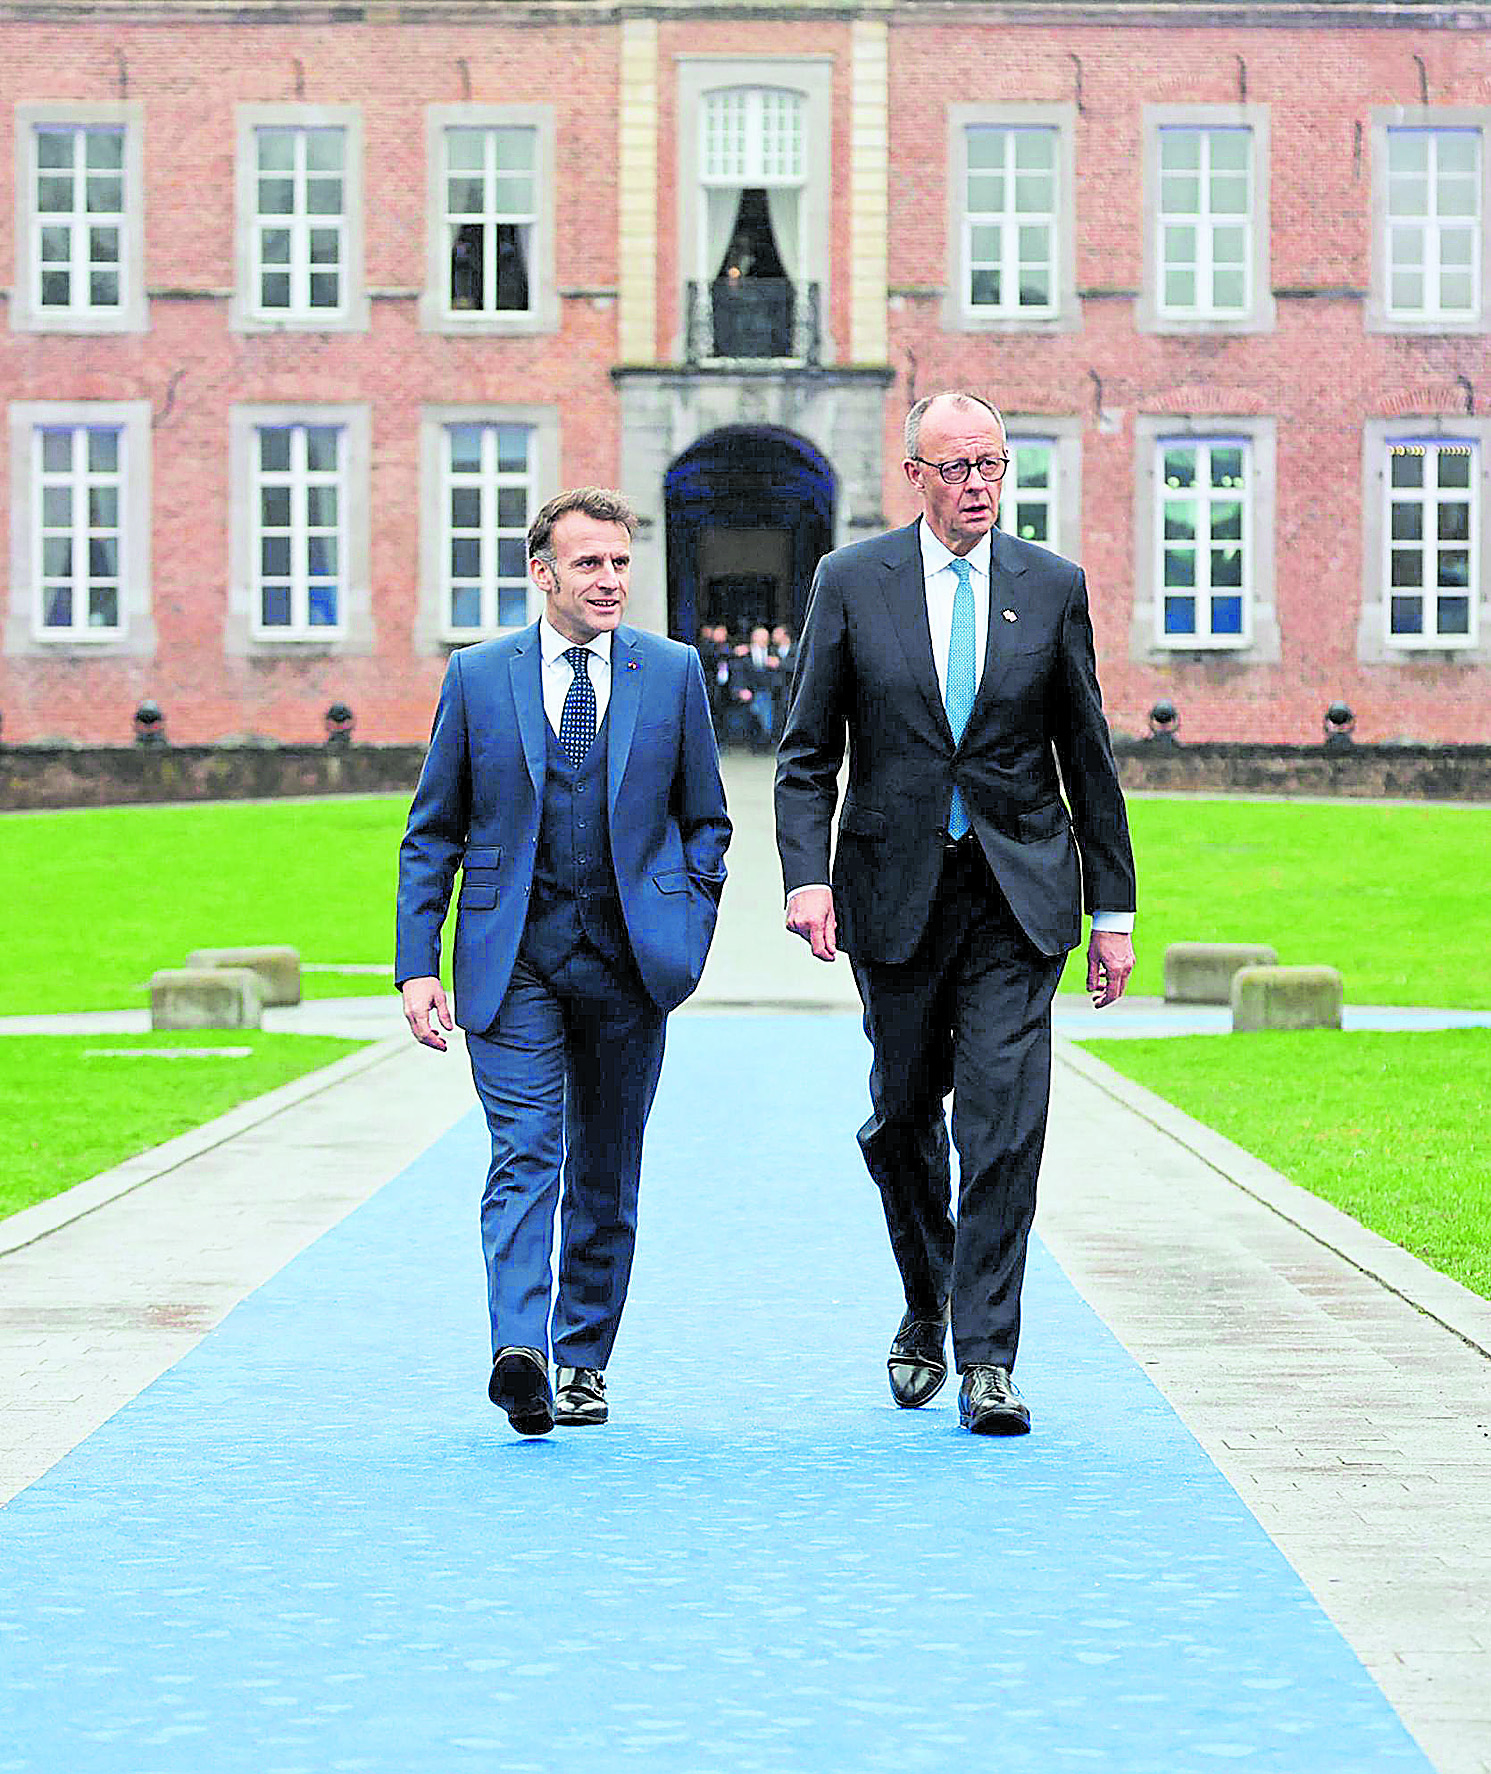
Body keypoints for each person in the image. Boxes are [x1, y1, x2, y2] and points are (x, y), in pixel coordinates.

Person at [774, 391, 1136, 1437]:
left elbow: (1090, 757)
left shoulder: (1051, 587)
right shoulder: (851, 583)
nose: (980, 485)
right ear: (917, 476)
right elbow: (807, 755)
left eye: (993, 465)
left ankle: (987, 1356)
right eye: (959, 468)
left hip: (1018, 894)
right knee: (901, 1115)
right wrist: (807, 876)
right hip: (891, 895)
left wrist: (1110, 909)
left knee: (1003, 1121)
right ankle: (925, 1298)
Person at [396, 488, 731, 1436]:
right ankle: (520, 1351)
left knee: (605, 1170)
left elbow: (706, 819)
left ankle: (582, 1358)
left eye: (621, 562)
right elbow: (433, 833)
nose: (611, 579)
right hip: (512, 963)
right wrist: (418, 965)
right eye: (590, 563)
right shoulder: (477, 676)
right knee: (525, 1152)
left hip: (631, 964)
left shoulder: (669, 673)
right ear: (541, 574)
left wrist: (688, 920)